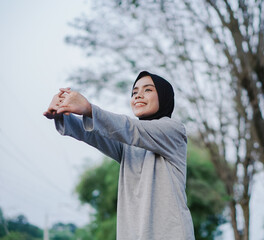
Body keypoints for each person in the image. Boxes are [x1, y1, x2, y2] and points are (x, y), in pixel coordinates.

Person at [43, 71, 195, 240]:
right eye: (134, 92)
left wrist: (88, 108)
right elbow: (94, 134)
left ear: (164, 96)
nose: (138, 96)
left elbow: (130, 129)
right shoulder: (129, 145)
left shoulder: (173, 130)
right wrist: (63, 114)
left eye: (148, 90)